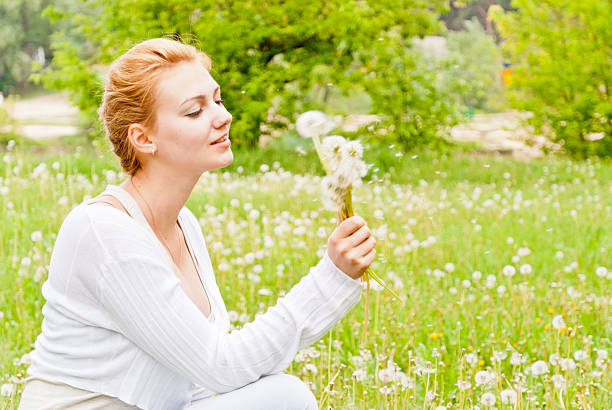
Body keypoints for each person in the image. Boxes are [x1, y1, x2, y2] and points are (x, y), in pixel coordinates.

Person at [18, 38, 377, 410]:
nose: (224, 117)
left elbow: (199, 383)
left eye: (217, 100)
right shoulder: (104, 231)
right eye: (195, 111)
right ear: (143, 138)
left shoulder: (182, 224)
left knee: (284, 396)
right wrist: (333, 277)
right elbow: (222, 366)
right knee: (287, 398)